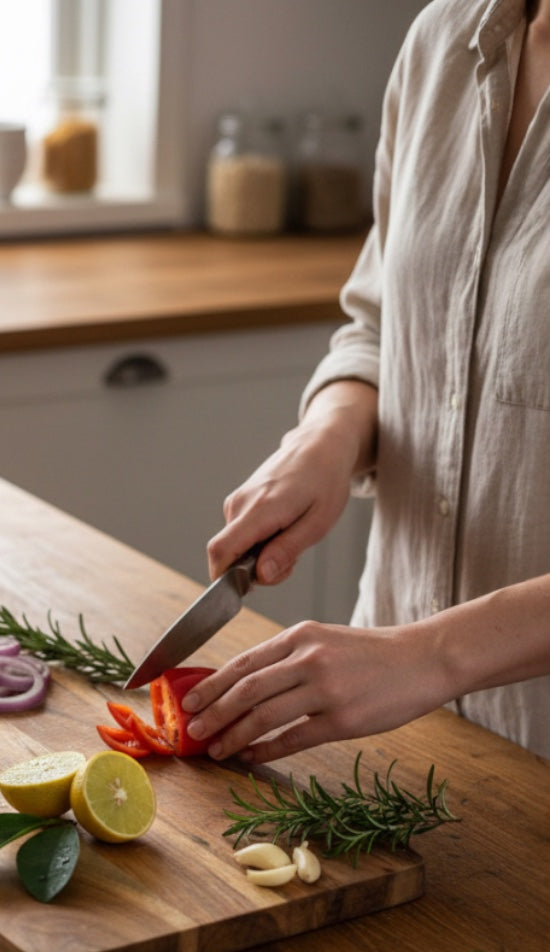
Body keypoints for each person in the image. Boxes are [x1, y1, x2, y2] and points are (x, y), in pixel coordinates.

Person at [183, 0, 550, 766]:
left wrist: (433, 655)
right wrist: (328, 434)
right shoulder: (445, 38)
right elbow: (384, 322)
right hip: (394, 728)